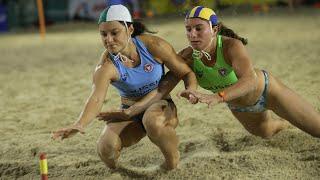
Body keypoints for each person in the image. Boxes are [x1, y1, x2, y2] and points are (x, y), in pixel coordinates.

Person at [99, 6, 320, 140]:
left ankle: (291, 115)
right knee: (267, 132)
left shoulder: (231, 46)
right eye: (188, 29)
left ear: (214, 29)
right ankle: (286, 122)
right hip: (241, 106)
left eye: (199, 28)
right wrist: (132, 111)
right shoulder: (187, 57)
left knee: (317, 129)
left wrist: (216, 97)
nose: (192, 34)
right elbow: (162, 88)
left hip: (269, 91)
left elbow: (250, 80)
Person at [52, 4, 197, 170]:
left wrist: (191, 89)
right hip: (128, 111)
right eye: (103, 34)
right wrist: (80, 124)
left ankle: (172, 163)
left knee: (153, 121)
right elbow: (96, 97)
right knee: (105, 148)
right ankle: (123, 173)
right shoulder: (106, 66)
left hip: (160, 104)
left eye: (114, 33)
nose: (108, 39)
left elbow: (185, 72)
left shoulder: (154, 46)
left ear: (130, 29)